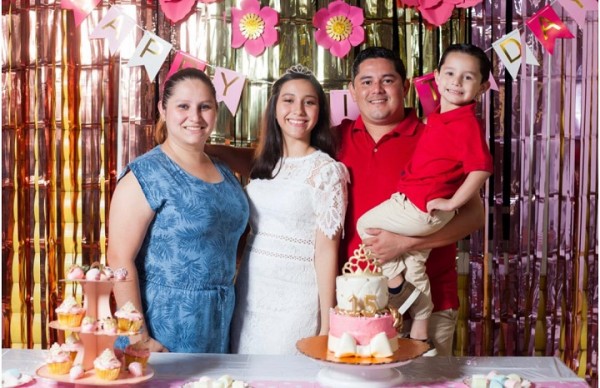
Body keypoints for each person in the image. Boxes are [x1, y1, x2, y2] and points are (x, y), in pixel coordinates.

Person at [336, 46, 486, 356]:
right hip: (360, 302)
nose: (376, 90)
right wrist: (212, 153)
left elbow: (474, 217)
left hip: (431, 299)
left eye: (387, 80)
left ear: (406, 86)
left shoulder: (435, 135)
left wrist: (406, 243)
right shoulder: (335, 138)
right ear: (352, 90)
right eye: (366, 82)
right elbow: (274, 159)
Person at [108, 67, 249, 353]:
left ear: (216, 110)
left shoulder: (222, 167)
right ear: (163, 109)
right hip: (164, 323)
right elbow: (118, 258)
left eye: (204, 107)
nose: (194, 117)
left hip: (220, 319)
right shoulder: (145, 174)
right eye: (183, 106)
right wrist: (138, 337)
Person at [210, 65, 349, 355]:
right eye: (288, 100)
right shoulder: (264, 165)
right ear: (274, 108)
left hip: (296, 296)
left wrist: (327, 323)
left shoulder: (326, 171)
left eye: (309, 102)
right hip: (251, 289)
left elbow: (326, 250)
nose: (298, 110)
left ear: (319, 111)